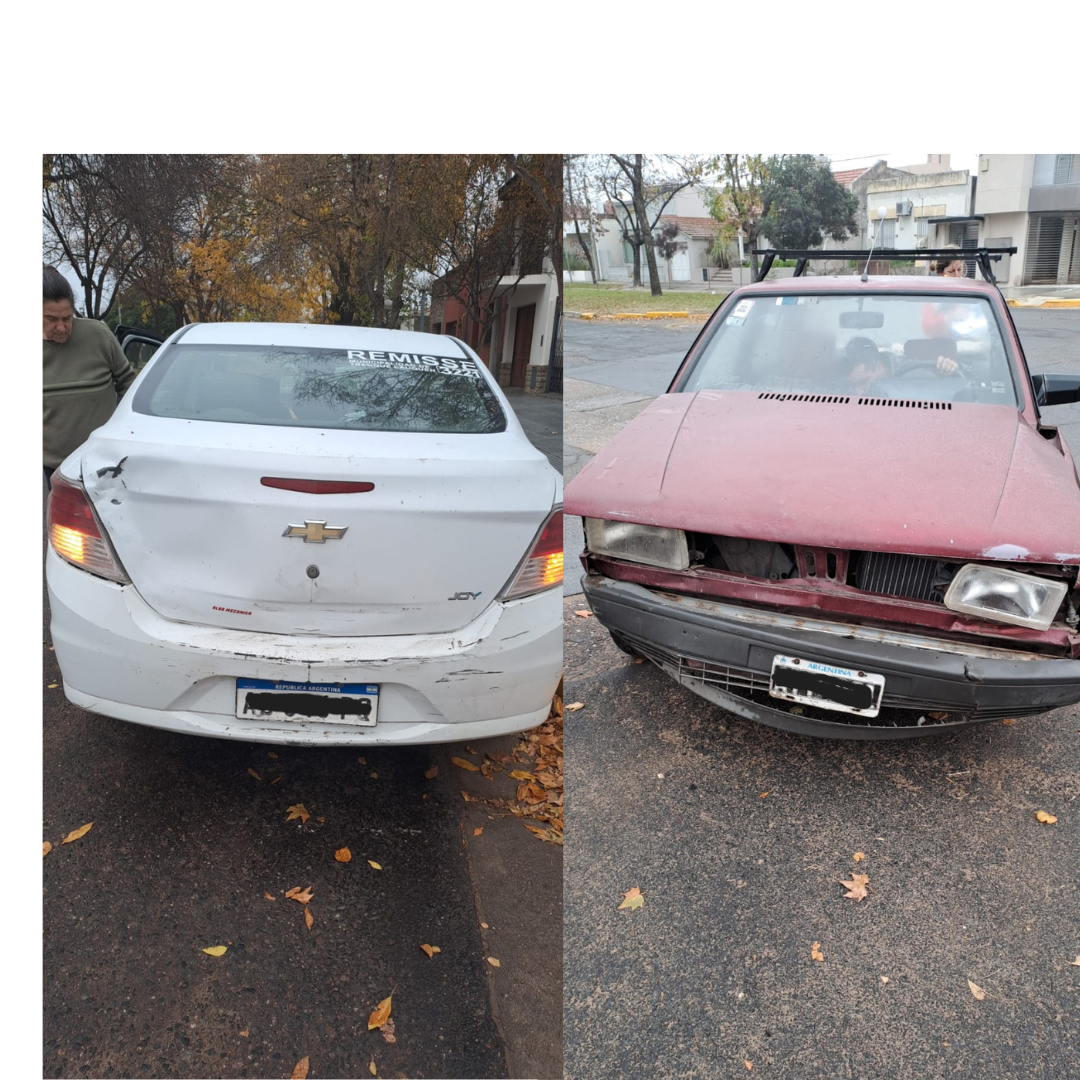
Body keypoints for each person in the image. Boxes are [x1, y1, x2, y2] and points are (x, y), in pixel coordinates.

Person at [43, 266, 136, 487]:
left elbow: (128, 384)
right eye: (51, 319)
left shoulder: (98, 335)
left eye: (67, 317)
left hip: (104, 461)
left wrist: (120, 430)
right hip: (55, 467)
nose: (62, 327)